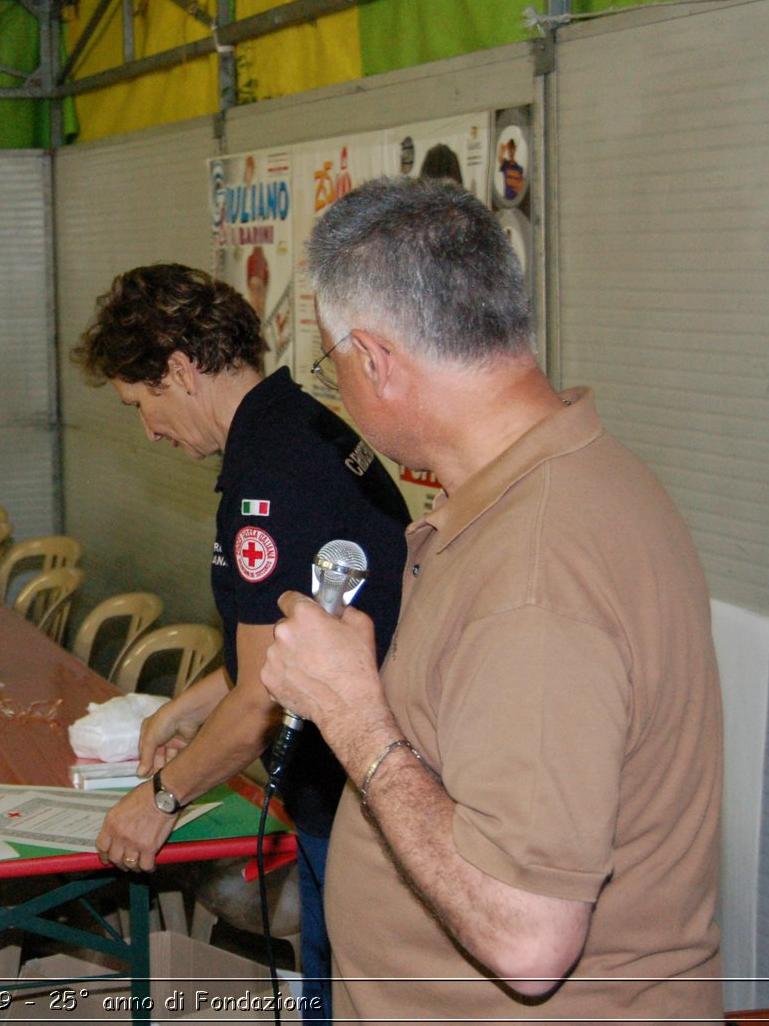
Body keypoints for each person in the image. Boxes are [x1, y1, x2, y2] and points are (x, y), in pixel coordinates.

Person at [260, 176, 723, 1019]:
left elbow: (528, 938)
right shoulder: (563, 479)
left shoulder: (536, 573)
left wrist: (352, 716)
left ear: (375, 360)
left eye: (333, 363)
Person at [72, 264, 409, 1023]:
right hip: (359, 791)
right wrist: (191, 706)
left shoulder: (268, 481)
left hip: (355, 805)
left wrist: (160, 800)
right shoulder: (300, 425)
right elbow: (292, 644)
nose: (148, 431)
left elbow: (263, 698)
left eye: (141, 403)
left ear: (181, 371)